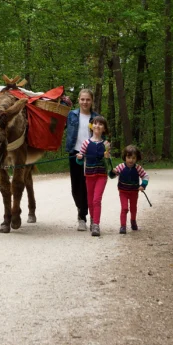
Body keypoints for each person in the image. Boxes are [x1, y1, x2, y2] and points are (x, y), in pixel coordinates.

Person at [65, 88, 99, 231]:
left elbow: (103, 136)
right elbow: (58, 125)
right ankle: (81, 215)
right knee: (76, 187)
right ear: (78, 100)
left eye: (88, 99)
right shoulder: (71, 115)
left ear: (92, 101)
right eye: (82, 99)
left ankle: (91, 218)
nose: (85, 102)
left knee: (89, 187)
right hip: (75, 154)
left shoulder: (96, 118)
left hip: (91, 156)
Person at [76, 115, 111, 237]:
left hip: (101, 175)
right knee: (90, 201)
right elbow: (80, 162)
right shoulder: (86, 143)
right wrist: (79, 158)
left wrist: (107, 158)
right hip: (89, 175)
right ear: (92, 126)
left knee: (97, 200)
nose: (97, 126)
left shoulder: (106, 144)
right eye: (95, 123)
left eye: (101, 124)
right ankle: (92, 219)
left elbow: (108, 163)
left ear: (104, 129)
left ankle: (96, 224)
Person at [109, 145, 149, 234]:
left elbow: (145, 176)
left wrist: (143, 185)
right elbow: (112, 176)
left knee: (133, 208)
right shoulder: (121, 167)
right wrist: (112, 172)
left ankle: (133, 221)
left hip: (134, 192)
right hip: (123, 191)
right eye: (129, 157)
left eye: (133, 158)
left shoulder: (138, 168)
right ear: (125, 157)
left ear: (137, 158)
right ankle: (123, 226)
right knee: (124, 208)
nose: (131, 160)